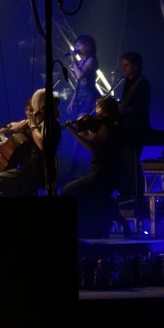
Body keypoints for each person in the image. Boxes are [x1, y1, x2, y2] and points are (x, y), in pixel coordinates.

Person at [0, 89, 60, 196]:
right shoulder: (39, 122)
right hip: (28, 169)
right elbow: (23, 142)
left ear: (39, 104)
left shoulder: (49, 122)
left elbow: (43, 145)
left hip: (36, 171)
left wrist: (32, 125)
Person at [63, 96, 124, 238]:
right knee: (84, 196)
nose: (95, 110)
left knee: (67, 191)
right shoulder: (111, 124)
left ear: (105, 108)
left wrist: (74, 133)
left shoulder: (107, 125)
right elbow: (98, 141)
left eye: (98, 106)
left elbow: (92, 146)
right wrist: (84, 133)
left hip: (102, 173)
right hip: (106, 172)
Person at [117, 52, 152, 218]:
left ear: (136, 66)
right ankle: (126, 194)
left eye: (126, 65)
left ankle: (138, 197)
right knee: (125, 163)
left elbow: (140, 108)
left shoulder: (142, 84)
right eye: (122, 65)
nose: (123, 68)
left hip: (136, 130)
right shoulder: (127, 83)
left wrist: (123, 110)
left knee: (132, 163)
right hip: (127, 130)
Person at [67, 35, 100, 117]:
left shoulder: (91, 60)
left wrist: (73, 60)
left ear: (87, 46)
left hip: (89, 98)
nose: (76, 48)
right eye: (76, 46)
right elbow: (79, 83)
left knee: (81, 121)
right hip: (80, 98)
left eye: (79, 45)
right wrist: (72, 101)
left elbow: (79, 75)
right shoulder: (81, 61)